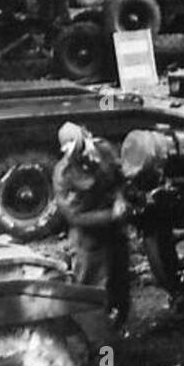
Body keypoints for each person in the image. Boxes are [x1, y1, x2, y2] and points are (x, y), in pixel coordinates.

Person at [53, 122, 130, 331]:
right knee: (90, 295)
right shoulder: (64, 174)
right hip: (89, 241)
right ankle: (97, 348)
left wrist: (120, 197)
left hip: (115, 236)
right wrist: (111, 215)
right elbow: (75, 216)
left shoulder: (104, 150)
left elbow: (120, 177)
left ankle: (117, 331)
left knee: (120, 286)